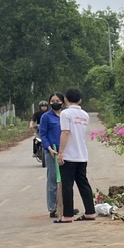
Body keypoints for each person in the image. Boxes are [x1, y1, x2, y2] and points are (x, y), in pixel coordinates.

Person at [56, 88, 96, 222]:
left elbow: (65, 132)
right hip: (82, 154)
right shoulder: (85, 114)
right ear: (80, 100)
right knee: (83, 183)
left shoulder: (65, 113)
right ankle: (90, 212)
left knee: (67, 185)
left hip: (69, 154)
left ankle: (67, 215)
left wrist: (61, 152)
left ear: (65, 100)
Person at [38, 92, 64, 219]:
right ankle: (53, 208)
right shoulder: (46, 117)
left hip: (65, 151)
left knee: (65, 180)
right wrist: (49, 149)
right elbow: (43, 135)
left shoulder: (65, 115)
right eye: (52, 100)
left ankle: (65, 206)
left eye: (57, 100)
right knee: (53, 179)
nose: (55, 102)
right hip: (52, 151)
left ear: (62, 102)